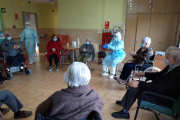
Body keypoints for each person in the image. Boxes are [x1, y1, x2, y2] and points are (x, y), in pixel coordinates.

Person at [111, 46, 180, 119]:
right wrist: (144, 74)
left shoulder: (177, 73)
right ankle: (125, 102)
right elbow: (159, 74)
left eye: (167, 57)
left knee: (133, 90)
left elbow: (159, 88)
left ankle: (125, 112)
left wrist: (139, 84)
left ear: (174, 59)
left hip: (163, 98)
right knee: (135, 85)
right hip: (159, 91)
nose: (165, 59)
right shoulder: (172, 66)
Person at [35, 62, 104, 120]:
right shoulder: (94, 96)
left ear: (67, 77)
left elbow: (40, 111)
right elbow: (101, 106)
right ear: (88, 77)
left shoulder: (57, 97)